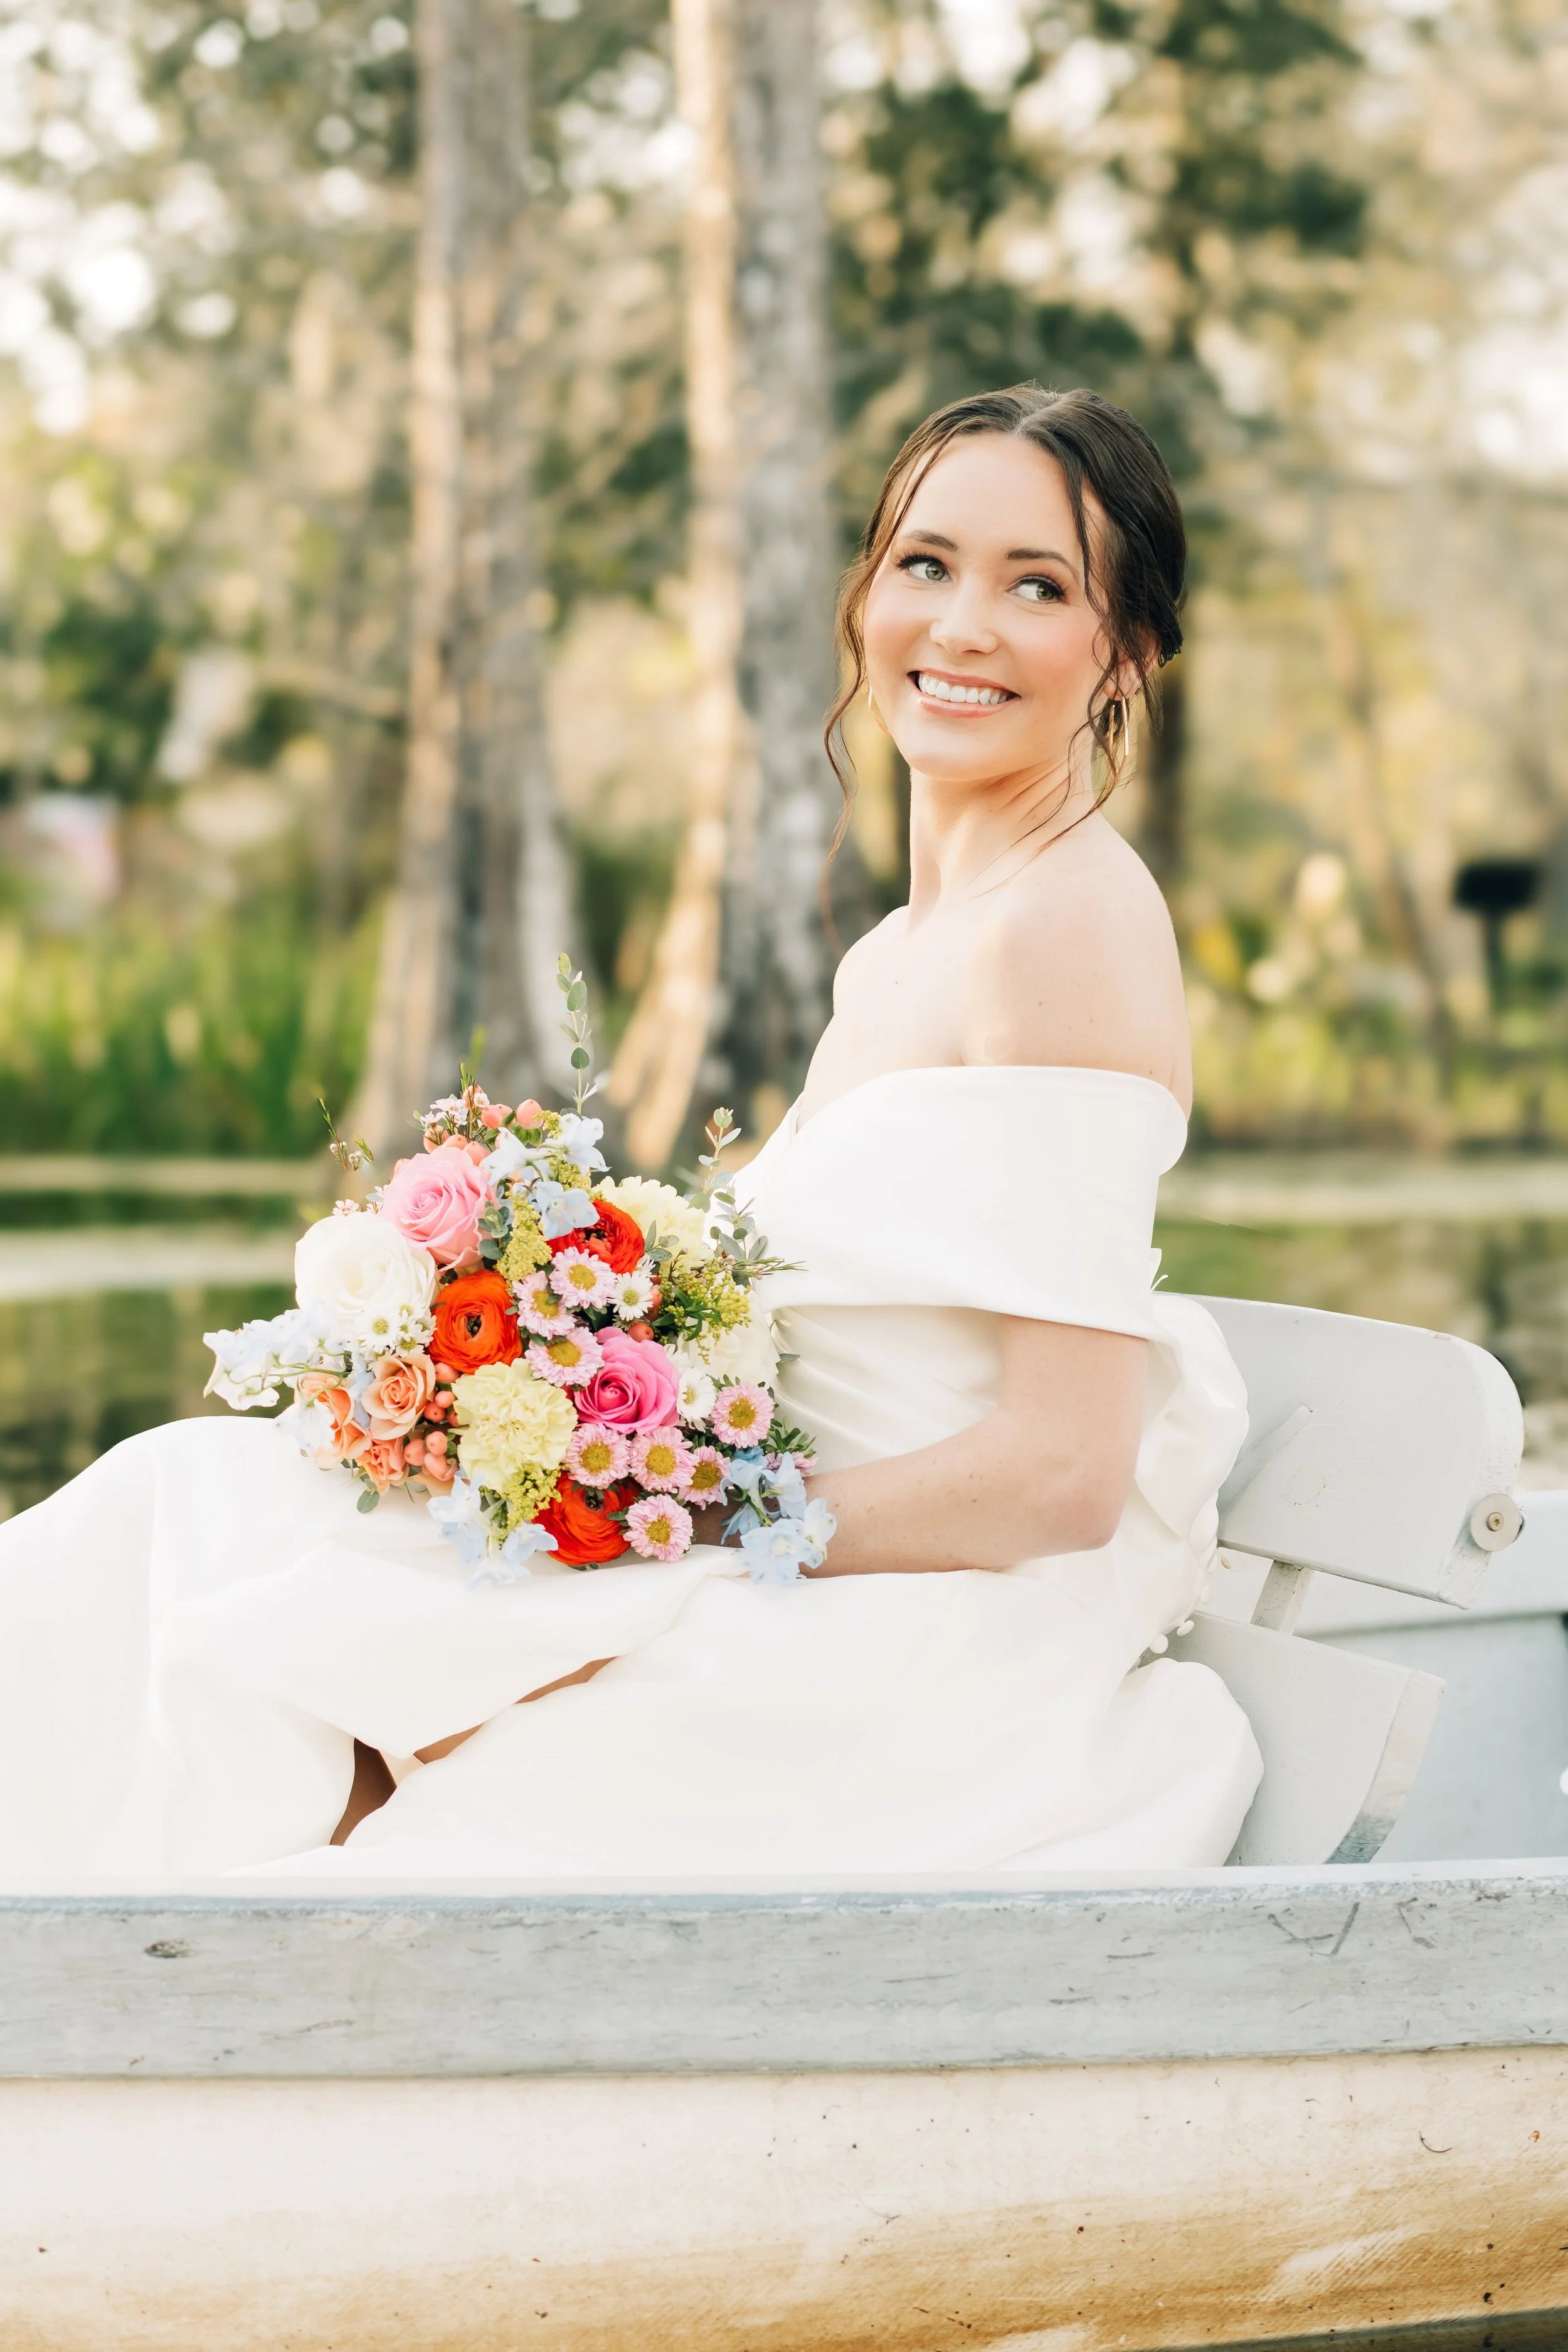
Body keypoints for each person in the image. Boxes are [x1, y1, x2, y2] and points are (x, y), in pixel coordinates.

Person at [0, 385, 1261, 1880]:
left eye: (1035, 586)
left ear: (1125, 652)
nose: (961, 624)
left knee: (284, 1631)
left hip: (898, 1617)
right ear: (865, 593)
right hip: (777, 1549)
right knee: (189, 1506)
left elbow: (1061, 1469)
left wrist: (674, 1519)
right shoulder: (897, 955)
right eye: (924, 564)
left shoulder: (1063, 929)